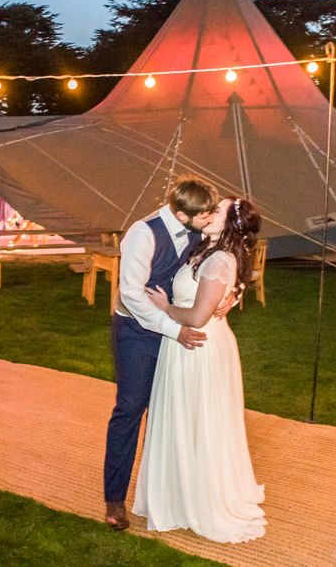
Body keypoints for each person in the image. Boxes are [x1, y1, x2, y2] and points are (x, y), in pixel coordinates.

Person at [132, 197, 266, 542]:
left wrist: (165, 307)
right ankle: (179, 491)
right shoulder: (202, 246)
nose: (208, 213)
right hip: (189, 344)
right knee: (187, 419)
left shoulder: (219, 259)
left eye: (216, 211)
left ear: (230, 225)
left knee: (198, 420)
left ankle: (197, 499)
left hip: (197, 345)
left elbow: (197, 317)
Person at [104, 178, 226, 531]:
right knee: (130, 409)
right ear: (180, 213)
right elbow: (131, 294)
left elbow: (223, 263)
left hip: (178, 331)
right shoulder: (143, 234)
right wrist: (175, 330)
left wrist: (230, 293)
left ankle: (167, 494)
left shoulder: (200, 232)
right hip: (136, 334)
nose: (210, 218)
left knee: (171, 411)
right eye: (203, 215)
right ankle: (115, 499)